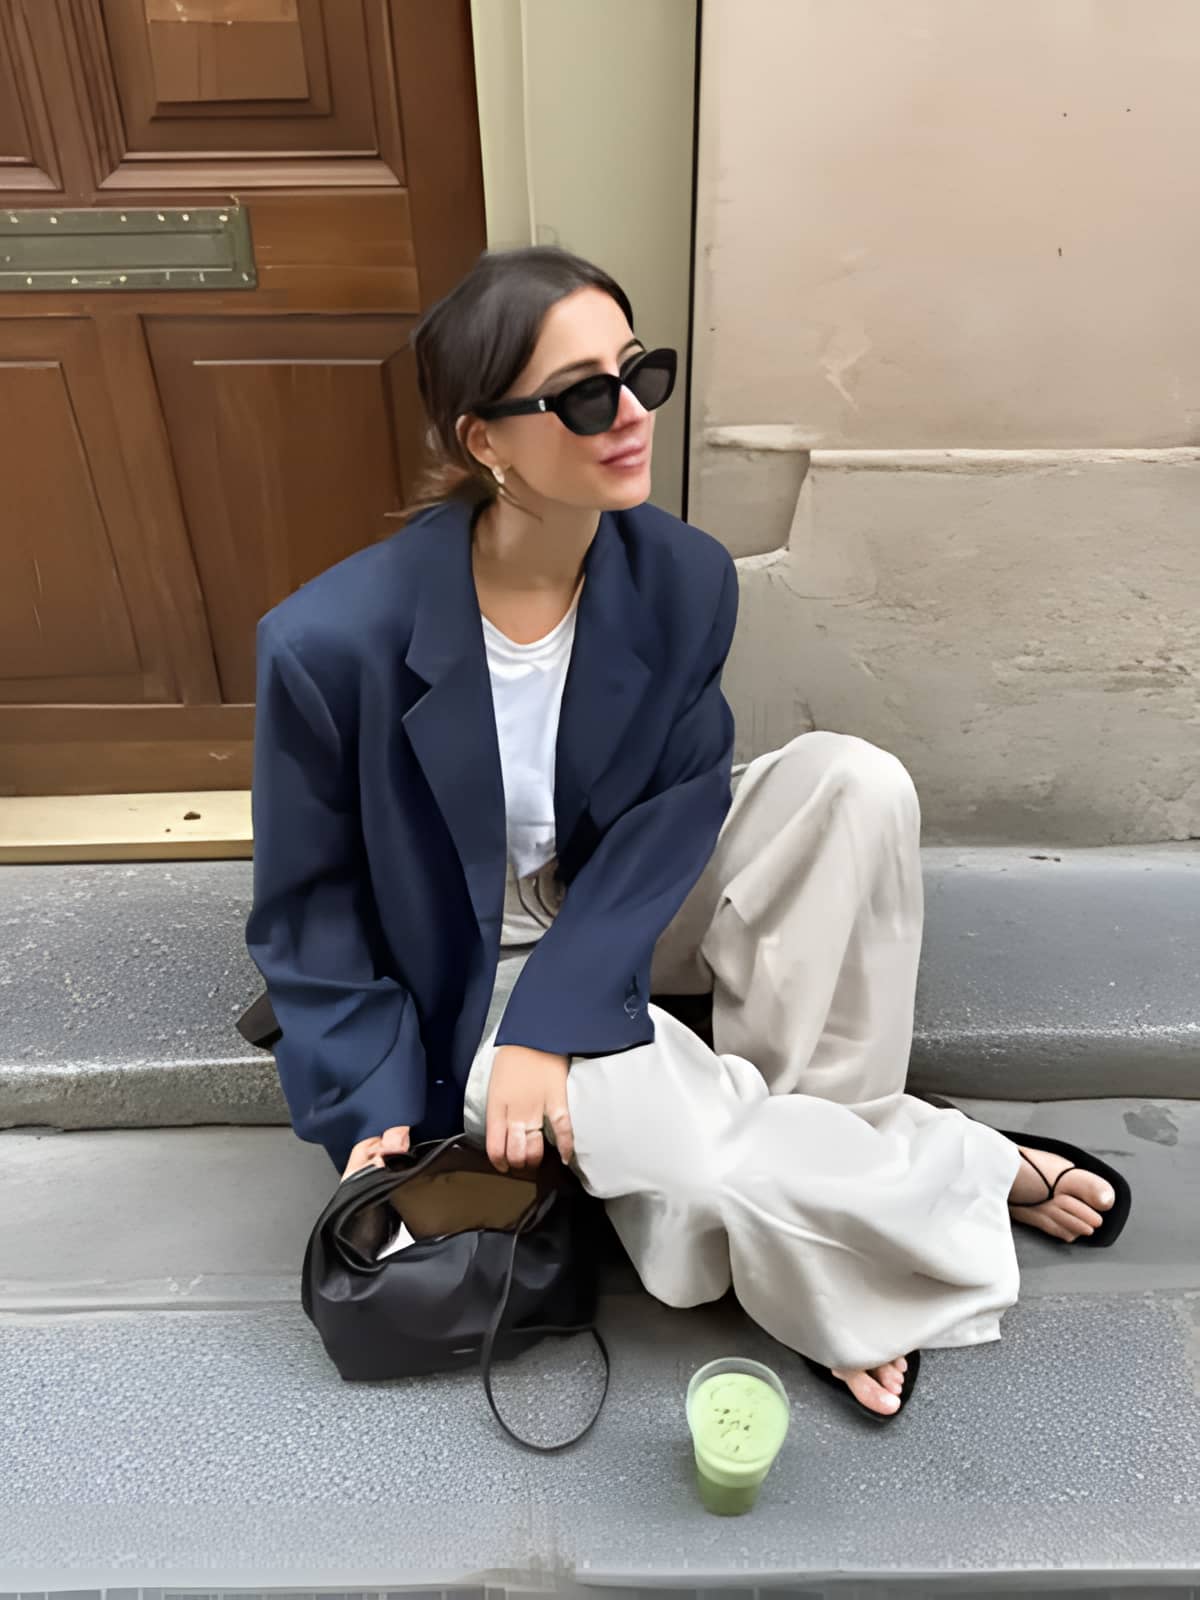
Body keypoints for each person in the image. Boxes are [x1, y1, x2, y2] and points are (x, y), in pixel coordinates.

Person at [245, 246, 1131, 1420]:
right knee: (699, 1165)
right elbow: (307, 910)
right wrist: (376, 1107)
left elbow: (677, 805)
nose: (628, 416)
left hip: (622, 897)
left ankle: (838, 1164)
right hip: (474, 959)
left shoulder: (684, 578)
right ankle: (948, 1174)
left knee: (850, 784)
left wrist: (565, 1016)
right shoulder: (329, 643)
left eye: (636, 371)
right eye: (579, 395)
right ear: (484, 442)